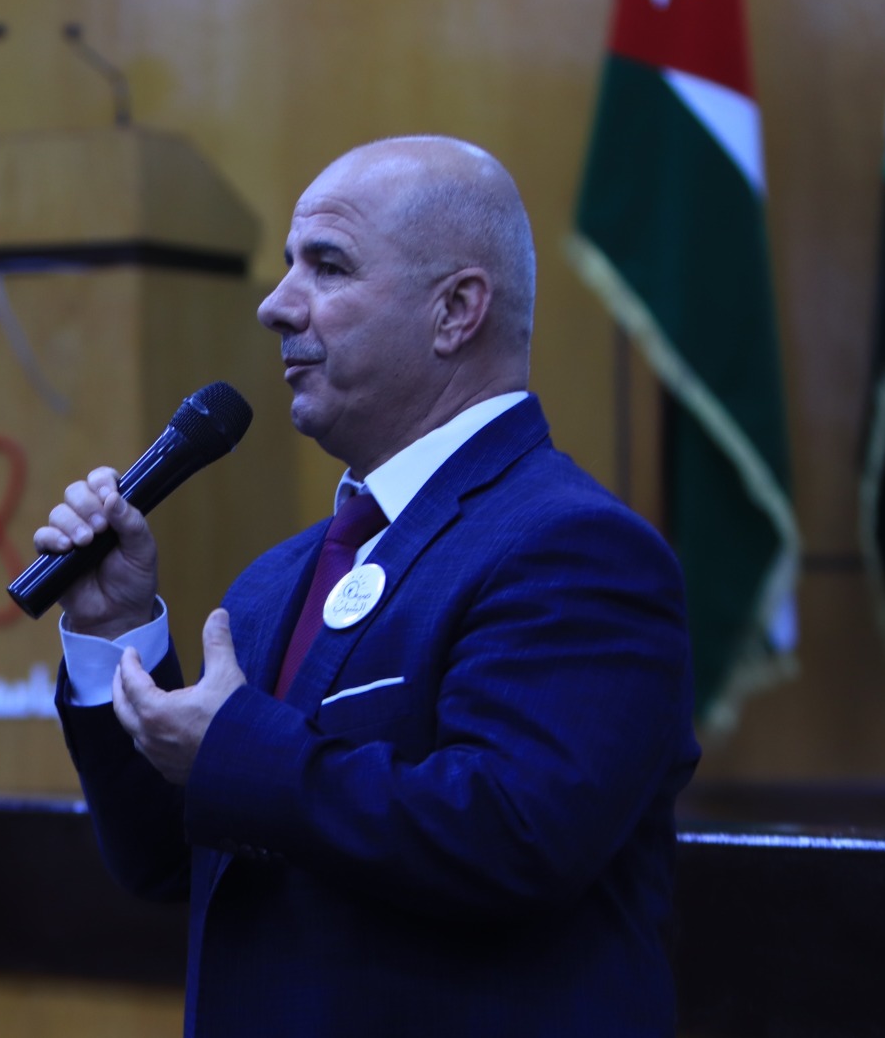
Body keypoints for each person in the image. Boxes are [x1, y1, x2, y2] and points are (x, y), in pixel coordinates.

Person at [34, 136, 700, 1036]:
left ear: (455, 310)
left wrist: (236, 746)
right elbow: (165, 859)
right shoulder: (273, 582)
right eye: (287, 265)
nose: (276, 304)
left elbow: (515, 838)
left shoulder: (577, 549)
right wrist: (118, 632)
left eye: (328, 266)